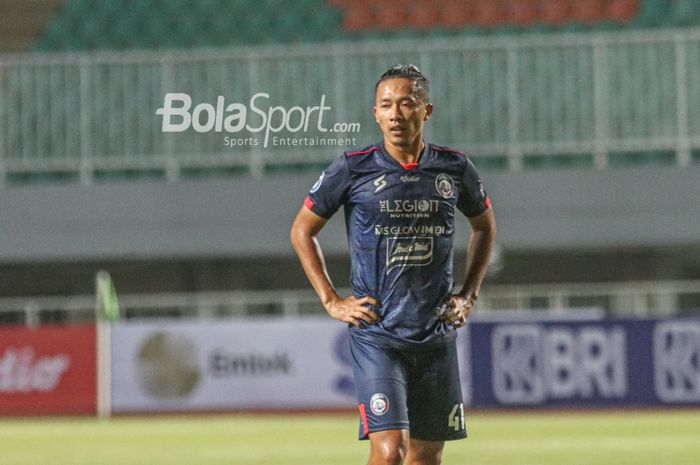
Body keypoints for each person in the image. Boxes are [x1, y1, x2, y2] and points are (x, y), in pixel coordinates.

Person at [290, 64, 496, 465]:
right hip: (378, 334)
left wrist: (468, 295)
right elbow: (302, 231)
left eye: (407, 104)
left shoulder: (454, 168)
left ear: (427, 111)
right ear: (375, 113)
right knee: (389, 452)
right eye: (386, 105)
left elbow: (484, 228)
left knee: (426, 456)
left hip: (435, 333)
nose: (396, 114)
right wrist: (331, 300)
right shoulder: (353, 168)